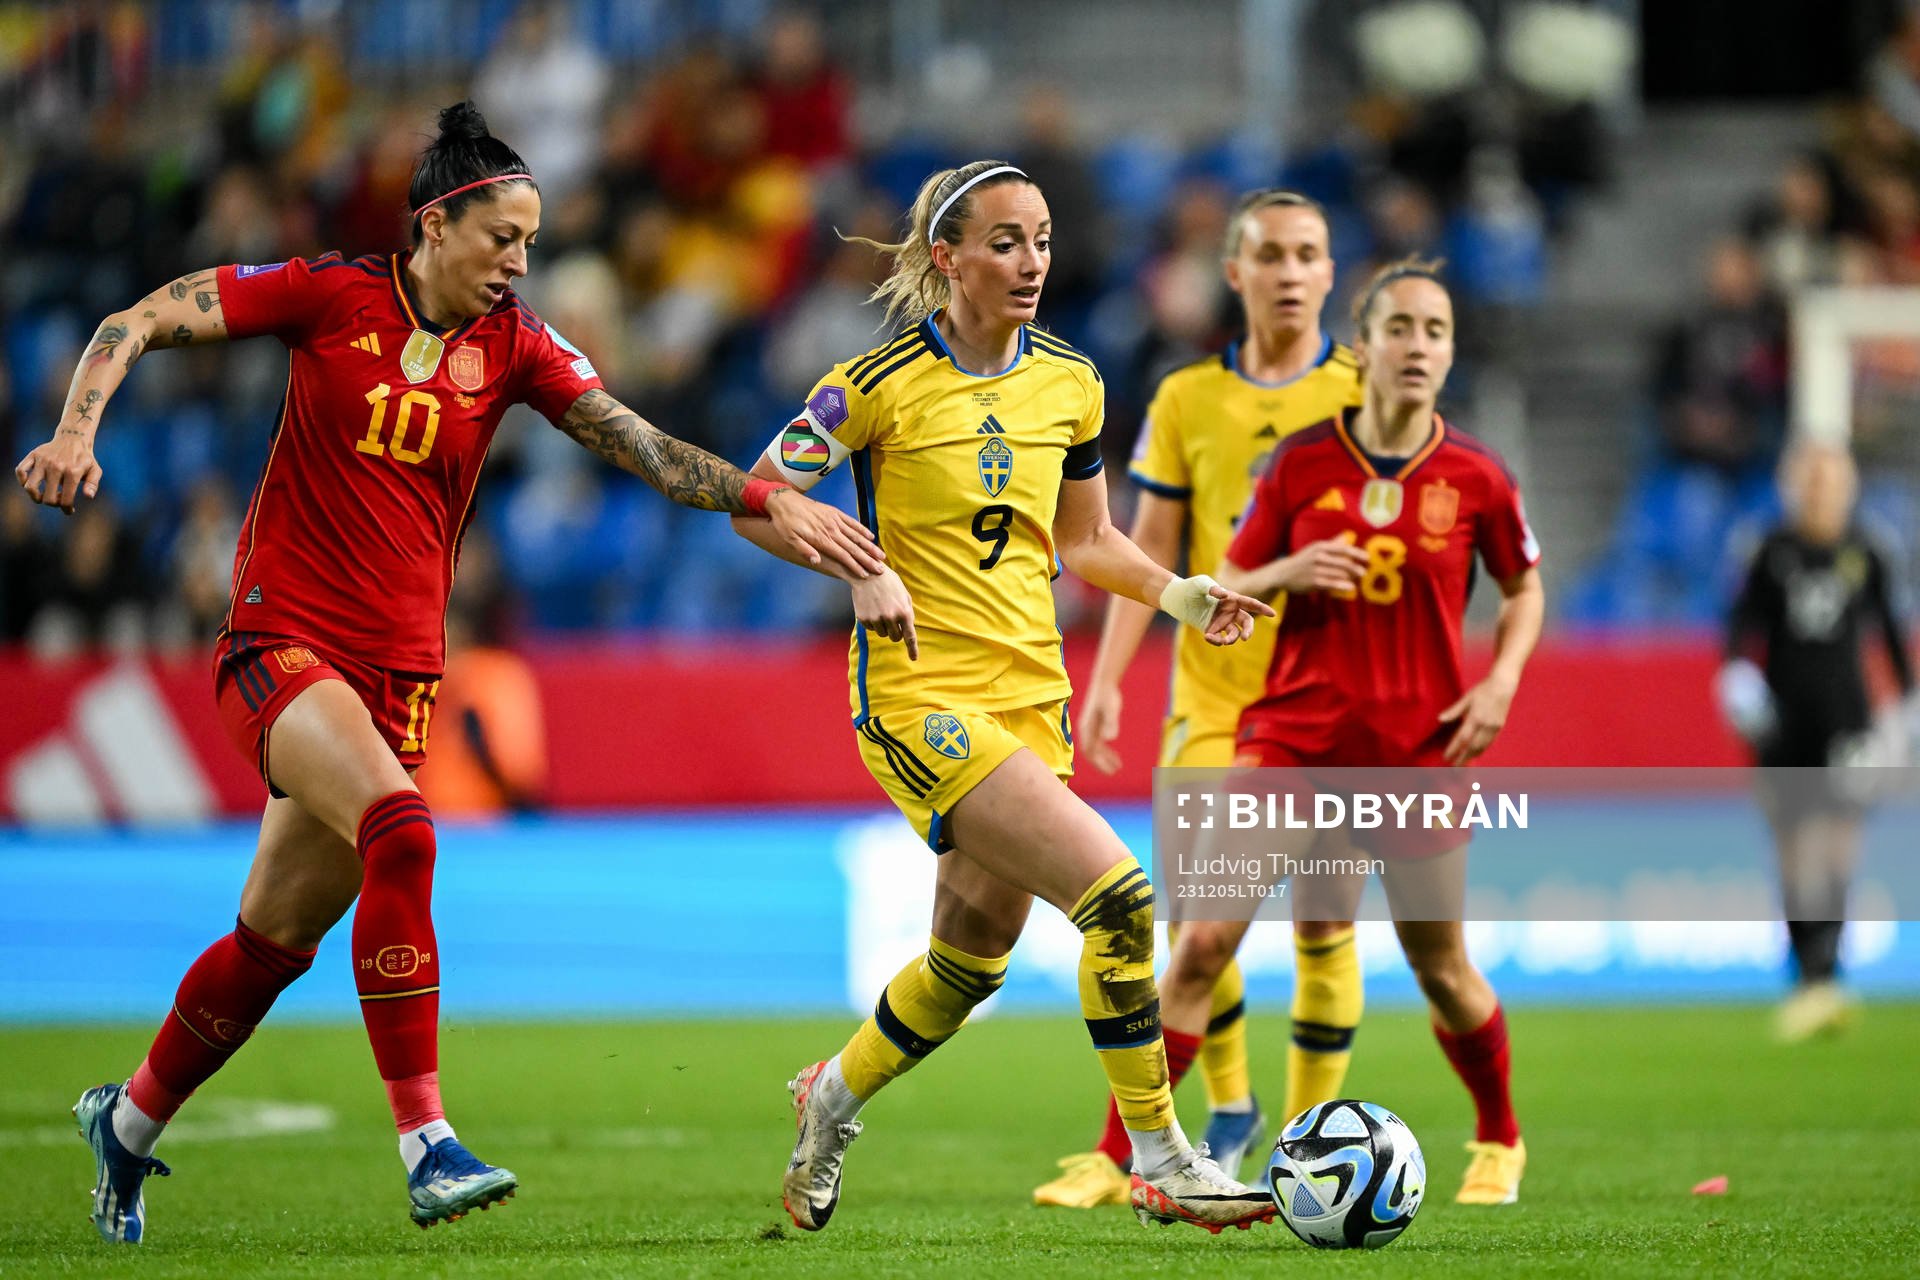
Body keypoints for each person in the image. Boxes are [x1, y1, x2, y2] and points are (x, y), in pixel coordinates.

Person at [15, 101, 881, 1246]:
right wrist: (79, 431)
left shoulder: (516, 344)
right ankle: (427, 1142)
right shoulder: (327, 292)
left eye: (531, 242)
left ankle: (123, 1122)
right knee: (405, 829)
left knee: (273, 941)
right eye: (504, 238)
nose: (521, 264)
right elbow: (134, 320)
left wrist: (773, 500)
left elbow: (650, 450)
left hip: (399, 678)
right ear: (435, 225)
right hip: (278, 645)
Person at [731, 160, 1279, 1233]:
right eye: (1003, 242)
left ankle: (828, 1095)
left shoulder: (1073, 381)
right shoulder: (869, 384)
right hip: (920, 694)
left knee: (968, 963)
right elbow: (758, 501)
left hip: (1033, 696)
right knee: (1120, 900)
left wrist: (1176, 590)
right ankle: (1160, 1156)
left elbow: (1084, 541)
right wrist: (862, 564)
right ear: (948, 258)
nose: (1030, 262)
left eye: (1040, 239)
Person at [1169, 258, 1545, 1207]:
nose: (1420, 347)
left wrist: (1501, 680)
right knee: (1203, 945)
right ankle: (1132, 1157)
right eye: (1403, 328)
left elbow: (1524, 587)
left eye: (1437, 331)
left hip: (1415, 755)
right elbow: (1226, 582)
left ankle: (1500, 1137)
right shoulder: (1301, 461)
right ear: (1365, 343)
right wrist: (1290, 567)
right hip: (1289, 744)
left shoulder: (1477, 476)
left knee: (1441, 967)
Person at [1033, 189, 1369, 1212]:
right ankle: (1184, 1125)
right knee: (1199, 932)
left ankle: (1301, 1144)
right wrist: (1105, 683)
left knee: (1322, 932)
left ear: (1329, 271)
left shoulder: (1367, 395)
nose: (1289, 271)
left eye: (1308, 253)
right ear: (1236, 272)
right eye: (1269, 254)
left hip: (1332, 704)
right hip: (1210, 699)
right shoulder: (1186, 398)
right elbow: (1150, 552)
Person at [1716, 441, 1914, 1041]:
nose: (1822, 490)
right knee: (1792, 852)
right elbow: (1739, 630)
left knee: (1837, 848)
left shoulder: (1869, 551)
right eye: (1812, 479)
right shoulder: (1768, 550)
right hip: (1781, 723)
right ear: (1793, 485)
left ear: (1849, 486)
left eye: (1832, 479)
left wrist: (1906, 710)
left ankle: (1828, 976)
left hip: (1847, 721)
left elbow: (1892, 634)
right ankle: (1804, 975)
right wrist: (1737, 678)